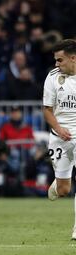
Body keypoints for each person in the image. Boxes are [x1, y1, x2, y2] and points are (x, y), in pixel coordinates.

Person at [43, 39, 76, 240]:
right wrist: (58, 128)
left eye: (60, 60)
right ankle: (56, 185)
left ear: (73, 58)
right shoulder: (53, 77)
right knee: (64, 189)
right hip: (59, 137)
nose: (57, 64)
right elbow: (47, 110)